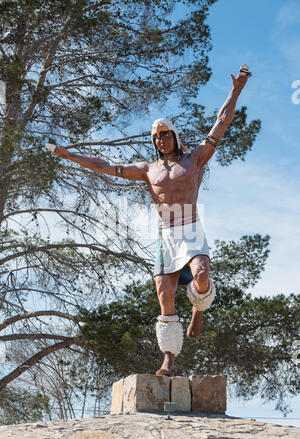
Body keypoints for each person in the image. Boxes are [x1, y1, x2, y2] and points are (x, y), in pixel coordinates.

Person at [46, 66, 252, 377]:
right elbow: (105, 166)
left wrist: (236, 90)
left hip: (191, 227)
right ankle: (168, 360)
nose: (161, 141)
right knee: (164, 293)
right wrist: (70, 156)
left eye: (165, 135)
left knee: (202, 276)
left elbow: (220, 123)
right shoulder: (147, 169)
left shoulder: (194, 158)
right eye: (156, 138)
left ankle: (198, 307)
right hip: (165, 233)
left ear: (174, 136)